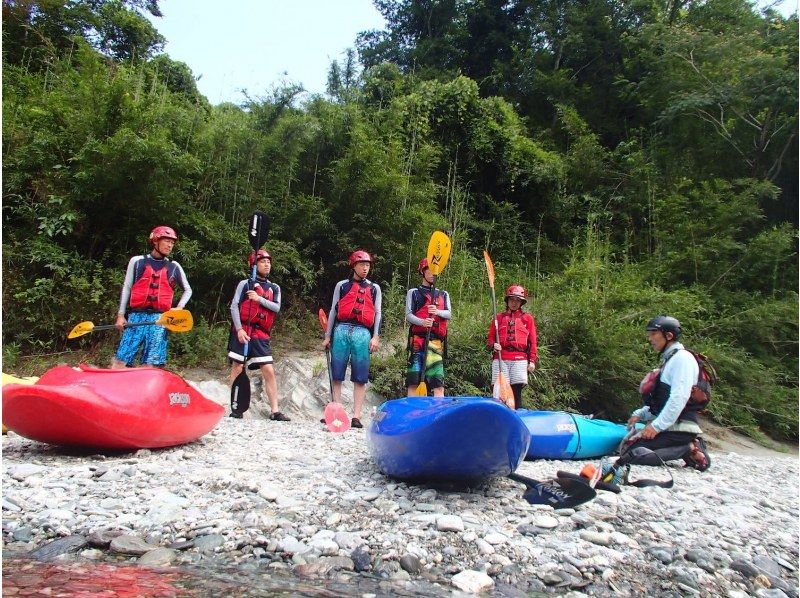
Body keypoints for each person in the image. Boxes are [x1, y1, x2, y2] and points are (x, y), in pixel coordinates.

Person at [605, 315, 711, 483]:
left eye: (654, 333)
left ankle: (688, 447)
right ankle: (684, 446)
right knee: (628, 450)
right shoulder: (670, 359)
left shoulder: (682, 359)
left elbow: (679, 398)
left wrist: (656, 426)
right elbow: (661, 401)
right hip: (672, 427)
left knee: (631, 454)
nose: (650, 338)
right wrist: (640, 414)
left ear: (668, 336)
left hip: (681, 428)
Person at [113, 226, 192, 368]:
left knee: (151, 364)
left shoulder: (174, 266)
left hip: (159, 320)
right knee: (121, 360)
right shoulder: (137, 261)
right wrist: (120, 315)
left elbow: (188, 290)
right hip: (135, 317)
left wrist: (179, 308)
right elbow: (127, 287)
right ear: (155, 241)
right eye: (167, 241)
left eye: (172, 243)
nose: (170, 245)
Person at [227, 249, 290, 421]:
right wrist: (239, 329)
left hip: (261, 333)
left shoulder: (274, 287)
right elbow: (234, 307)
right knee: (237, 367)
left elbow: (276, 308)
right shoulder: (244, 284)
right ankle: (235, 406)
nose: (267, 264)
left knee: (268, 369)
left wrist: (259, 299)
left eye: (268, 262)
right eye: (263, 262)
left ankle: (275, 411)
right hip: (243, 331)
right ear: (254, 265)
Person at [322, 250, 382, 429]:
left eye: (368, 265)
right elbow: (333, 310)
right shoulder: (342, 286)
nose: (365, 268)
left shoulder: (374, 288)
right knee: (337, 373)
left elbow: (378, 313)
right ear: (353, 266)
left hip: (363, 333)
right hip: (341, 330)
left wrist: (376, 336)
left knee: (360, 376)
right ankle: (336, 412)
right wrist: (327, 336)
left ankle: (356, 416)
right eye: (362, 265)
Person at [405, 258, 452, 396]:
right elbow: (408, 315)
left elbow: (449, 314)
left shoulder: (443, 294)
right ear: (422, 271)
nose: (432, 274)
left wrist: (436, 311)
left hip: (435, 343)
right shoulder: (414, 292)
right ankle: (413, 413)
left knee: (438, 384)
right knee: (413, 382)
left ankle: (438, 413)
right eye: (429, 270)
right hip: (418, 341)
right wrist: (422, 322)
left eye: (434, 271)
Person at [487, 285, 537, 409]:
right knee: (500, 393)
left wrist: (532, 361)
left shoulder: (527, 319)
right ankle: (499, 418)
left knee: (516, 391)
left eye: (517, 300)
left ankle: (517, 416)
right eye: (512, 300)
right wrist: (493, 344)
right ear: (507, 301)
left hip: (519, 358)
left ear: (521, 302)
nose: (514, 303)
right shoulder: (498, 318)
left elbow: (533, 341)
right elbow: (490, 339)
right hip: (501, 357)